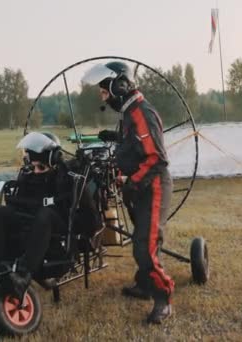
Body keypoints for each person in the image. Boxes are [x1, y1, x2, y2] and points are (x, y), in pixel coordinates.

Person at [82, 61, 175, 324]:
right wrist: (114, 142)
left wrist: (130, 181)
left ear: (120, 85)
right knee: (141, 241)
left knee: (144, 247)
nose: (103, 96)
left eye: (104, 90)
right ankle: (144, 285)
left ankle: (163, 297)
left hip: (153, 187)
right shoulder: (128, 112)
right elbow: (134, 146)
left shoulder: (140, 113)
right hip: (139, 187)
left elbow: (156, 160)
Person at [0, 132, 100, 299]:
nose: (35, 171)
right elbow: (18, 204)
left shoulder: (68, 180)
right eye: (32, 166)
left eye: (41, 167)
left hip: (58, 236)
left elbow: (91, 222)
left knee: (45, 214)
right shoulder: (29, 177)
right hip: (30, 229)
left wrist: (83, 238)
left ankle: (22, 277)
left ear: (54, 162)